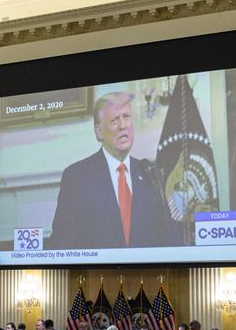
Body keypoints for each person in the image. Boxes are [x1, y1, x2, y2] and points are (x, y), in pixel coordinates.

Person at [50, 92, 182, 250]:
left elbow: (170, 237)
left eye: (127, 117)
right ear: (99, 132)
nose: (123, 125)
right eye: (114, 120)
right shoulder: (77, 177)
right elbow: (62, 242)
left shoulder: (149, 173)